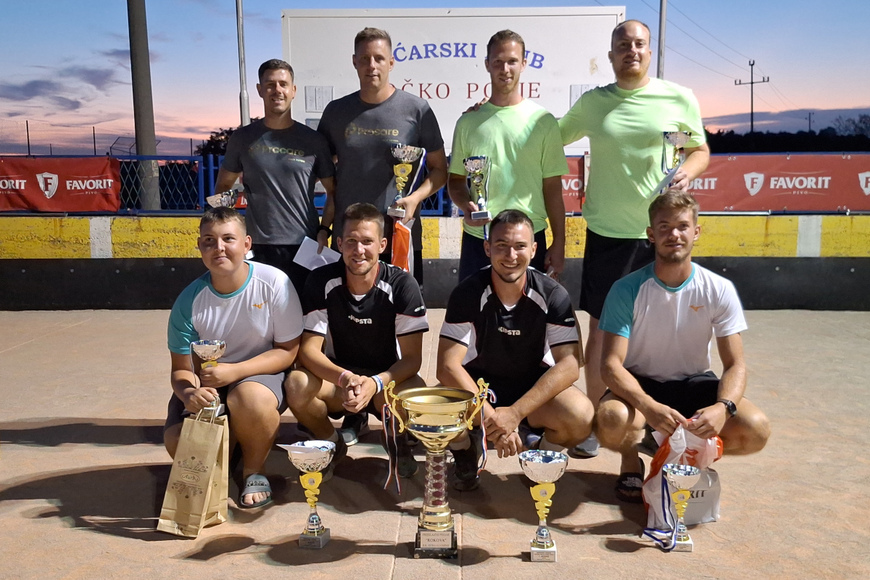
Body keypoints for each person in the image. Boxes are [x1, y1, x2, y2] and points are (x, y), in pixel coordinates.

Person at [559, 20, 711, 459]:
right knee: (603, 330)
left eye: (640, 44)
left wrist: (688, 171)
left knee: (657, 329)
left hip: (660, 235)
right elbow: (550, 135)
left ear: (649, 52)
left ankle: (651, 417)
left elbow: (697, 150)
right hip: (608, 233)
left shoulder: (676, 98)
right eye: (623, 45)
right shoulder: (594, 103)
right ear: (610, 55)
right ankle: (592, 421)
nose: (632, 51)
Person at [596, 191, 770, 503]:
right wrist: (649, 406)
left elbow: (735, 365)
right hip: (641, 386)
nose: (673, 234)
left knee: (755, 430)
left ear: (696, 232)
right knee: (610, 419)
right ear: (651, 235)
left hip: (694, 383)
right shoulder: (626, 289)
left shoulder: (719, 289)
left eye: (682, 226)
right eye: (663, 227)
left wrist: (723, 408)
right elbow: (610, 365)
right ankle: (630, 458)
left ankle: (686, 458)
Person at [317, 28, 446, 445]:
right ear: (355, 62)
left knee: (397, 321)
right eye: (364, 58)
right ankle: (355, 409)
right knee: (351, 321)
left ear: (391, 62)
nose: (371, 65)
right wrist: (325, 226)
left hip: (400, 236)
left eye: (379, 58)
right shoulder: (336, 113)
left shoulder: (416, 109)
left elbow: (440, 172)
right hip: (352, 240)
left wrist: (416, 198)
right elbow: (328, 179)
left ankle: (387, 401)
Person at [437, 209, 593, 491]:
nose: (511, 255)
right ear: (487, 248)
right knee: (434, 411)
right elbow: (448, 366)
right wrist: (493, 418)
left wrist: (516, 413)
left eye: (520, 246)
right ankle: (465, 453)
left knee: (580, 415)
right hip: (479, 391)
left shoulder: (552, 294)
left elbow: (570, 364)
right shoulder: (467, 292)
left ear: (533, 250)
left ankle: (539, 457)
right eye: (501, 246)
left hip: (531, 394)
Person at [163, 206, 303, 509]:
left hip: (259, 375)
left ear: (247, 244)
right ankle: (233, 444)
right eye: (209, 241)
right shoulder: (188, 301)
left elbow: (288, 351)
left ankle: (254, 469)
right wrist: (189, 393)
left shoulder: (275, 283)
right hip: (210, 383)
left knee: (249, 399)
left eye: (228, 238)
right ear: (199, 246)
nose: (219, 248)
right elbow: (180, 370)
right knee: (177, 441)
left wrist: (236, 370)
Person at [285, 203, 429, 479]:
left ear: (383, 245)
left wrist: (374, 383)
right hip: (338, 381)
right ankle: (332, 442)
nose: (358, 250)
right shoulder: (321, 281)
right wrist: (346, 379)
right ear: (339, 243)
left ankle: (398, 443)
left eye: (367, 241)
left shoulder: (402, 285)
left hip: (385, 385)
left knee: (416, 395)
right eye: (351, 241)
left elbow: (412, 359)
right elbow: (308, 351)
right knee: (296, 383)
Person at [448, 29, 569, 283]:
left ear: (523, 64)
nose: (505, 68)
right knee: (474, 319)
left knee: (530, 320)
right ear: (487, 65)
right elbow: (456, 181)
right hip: (479, 238)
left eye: (512, 61)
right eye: (498, 61)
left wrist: (559, 243)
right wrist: (465, 205)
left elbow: (553, 189)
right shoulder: (468, 122)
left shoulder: (543, 122)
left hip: (528, 239)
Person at [216, 59, 336, 297]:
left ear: (293, 91)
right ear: (260, 90)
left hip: (306, 245)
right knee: (262, 319)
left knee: (306, 317)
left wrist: (324, 230)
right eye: (270, 85)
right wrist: (231, 233)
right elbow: (223, 187)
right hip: (257, 246)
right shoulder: (242, 138)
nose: (277, 90)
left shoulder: (314, 141)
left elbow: (334, 192)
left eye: (283, 84)